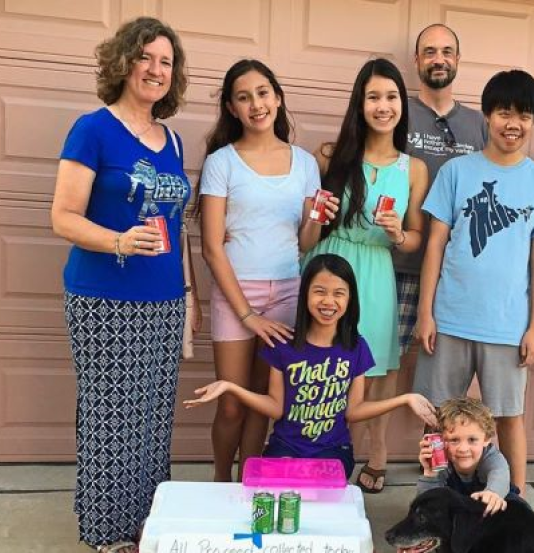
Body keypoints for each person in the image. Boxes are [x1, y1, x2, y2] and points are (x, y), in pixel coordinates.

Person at [50, 17, 192, 553]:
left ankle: (146, 520)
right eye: (145, 57)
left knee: (152, 415)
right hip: (103, 297)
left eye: (166, 61)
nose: (156, 69)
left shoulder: (173, 140)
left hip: (163, 300)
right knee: (110, 413)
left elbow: (177, 228)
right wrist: (118, 241)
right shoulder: (93, 129)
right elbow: (63, 216)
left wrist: (187, 294)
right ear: (123, 62)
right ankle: (106, 531)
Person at [413, 69, 534, 496]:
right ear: (487, 115)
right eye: (504, 113)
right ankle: (434, 497)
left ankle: (514, 499)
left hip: (507, 325)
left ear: (533, 121)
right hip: (449, 318)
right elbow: (435, 245)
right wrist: (426, 312)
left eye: (524, 115)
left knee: (508, 415)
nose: (513, 124)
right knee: (436, 416)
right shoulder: (456, 172)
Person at [198, 59, 338, 482]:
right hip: (237, 293)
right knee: (232, 403)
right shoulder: (222, 162)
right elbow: (211, 248)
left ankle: (248, 484)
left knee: (263, 399)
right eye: (244, 97)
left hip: (288, 292)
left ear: (277, 98)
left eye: (262, 93)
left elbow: (306, 243)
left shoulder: (304, 163)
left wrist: (318, 217)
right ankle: (221, 483)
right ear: (232, 108)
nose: (256, 104)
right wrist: (247, 315)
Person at [184, 254, 437, 478]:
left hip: (333, 451)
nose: (328, 301)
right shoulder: (283, 346)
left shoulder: (356, 347)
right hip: (286, 447)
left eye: (339, 293)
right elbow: (276, 407)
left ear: (350, 299)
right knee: (280, 490)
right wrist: (230, 387)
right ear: (305, 294)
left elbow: (354, 410)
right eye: (319, 291)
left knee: (318, 492)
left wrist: (404, 399)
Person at [302, 58, 429, 493]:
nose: (382, 106)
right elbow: (308, 229)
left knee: (376, 369)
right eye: (373, 97)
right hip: (329, 262)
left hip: (376, 271)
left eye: (391, 96)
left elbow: (416, 238)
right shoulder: (330, 156)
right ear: (359, 104)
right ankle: (320, 445)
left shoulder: (413, 169)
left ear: (402, 104)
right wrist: (317, 215)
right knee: (319, 362)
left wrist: (398, 234)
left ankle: (377, 453)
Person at [396, 23, 487, 361]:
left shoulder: (479, 124)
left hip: (457, 274)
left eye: (447, 52)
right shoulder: (397, 113)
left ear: (458, 59)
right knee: (385, 364)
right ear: (416, 60)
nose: (439, 59)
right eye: (430, 52)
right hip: (400, 264)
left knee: (441, 374)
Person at [417, 397, 512, 516]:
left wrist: (493, 492)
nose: (463, 449)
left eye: (472, 440)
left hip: (486, 502)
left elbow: (500, 474)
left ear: (486, 439)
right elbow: (426, 504)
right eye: (454, 440)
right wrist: (430, 473)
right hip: (455, 505)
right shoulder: (442, 460)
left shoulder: (491, 457)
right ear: (441, 439)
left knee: (515, 505)